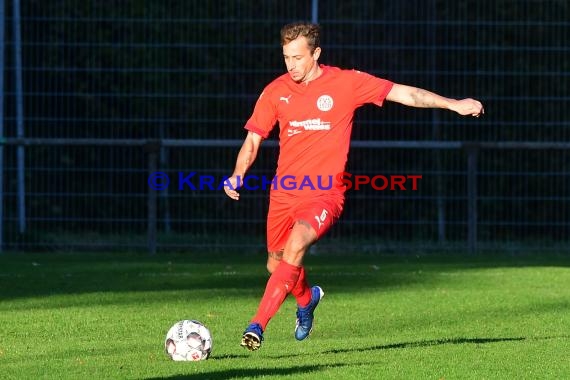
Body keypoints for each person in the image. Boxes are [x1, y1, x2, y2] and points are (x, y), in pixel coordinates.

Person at [224, 21, 484, 351]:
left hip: (324, 193)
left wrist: (452, 104)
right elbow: (253, 139)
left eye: (298, 58)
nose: (291, 65)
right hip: (284, 192)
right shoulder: (276, 90)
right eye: (286, 57)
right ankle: (307, 299)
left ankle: (257, 325)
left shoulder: (346, 83)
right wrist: (237, 174)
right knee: (276, 264)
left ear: (316, 54)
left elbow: (402, 93)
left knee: (297, 244)